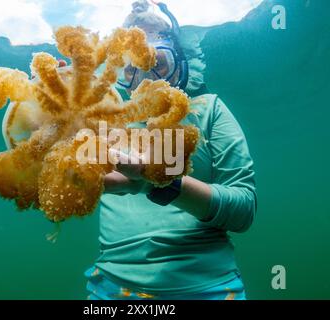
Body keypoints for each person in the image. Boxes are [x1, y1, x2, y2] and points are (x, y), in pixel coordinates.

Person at [84, 0, 257, 300]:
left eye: (158, 63)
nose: (145, 80)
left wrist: (159, 180)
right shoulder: (104, 122)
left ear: (181, 65)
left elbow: (243, 211)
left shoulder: (209, 110)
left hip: (210, 288)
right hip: (110, 291)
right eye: (131, 69)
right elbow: (57, 188)